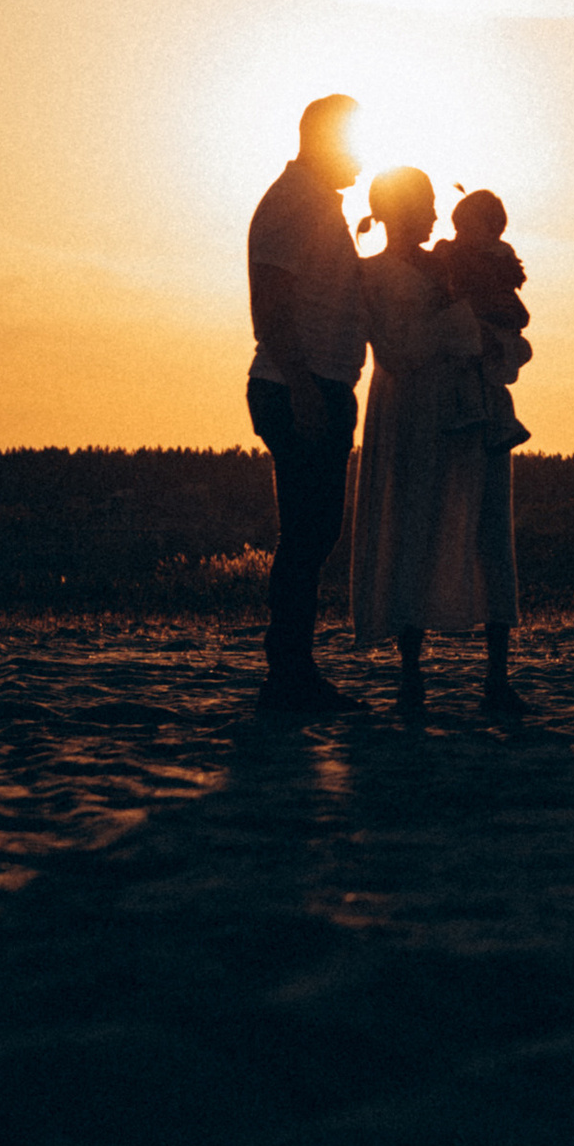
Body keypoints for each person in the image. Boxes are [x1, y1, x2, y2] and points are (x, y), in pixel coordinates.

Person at [351, 166, 526, 718]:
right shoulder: (370, 275)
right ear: (399, 210)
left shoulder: (459, 265)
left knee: (488, 530)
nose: (434, 215)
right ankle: (411, 676)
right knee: (411, 529)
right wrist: (462, 332)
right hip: (409, 412)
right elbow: (396, 349)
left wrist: (487, 341)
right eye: (425, 204)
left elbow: (507, 338)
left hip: (473, 408)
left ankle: (497, 678)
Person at [247, 93, 368, 715]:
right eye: (352, 142)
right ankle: (289, 675)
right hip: (300, 386)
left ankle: (292, 670)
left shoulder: (316, 206)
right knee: (306, 534)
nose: (360, 156)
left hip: (316, 384)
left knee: (312, 534)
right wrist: (301, 388)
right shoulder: (293, 204)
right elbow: (270, 306)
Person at [434, 189, 533, 452]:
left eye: (466, 229)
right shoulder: (494, 256)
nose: (459, 236)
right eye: (458, 229)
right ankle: (504, 421)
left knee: (469, 366)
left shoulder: (485, 259)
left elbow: (467, 287)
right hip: (494, 327)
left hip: (488, 326)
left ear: (490, 230)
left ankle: (474, 410)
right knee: (487, 377)